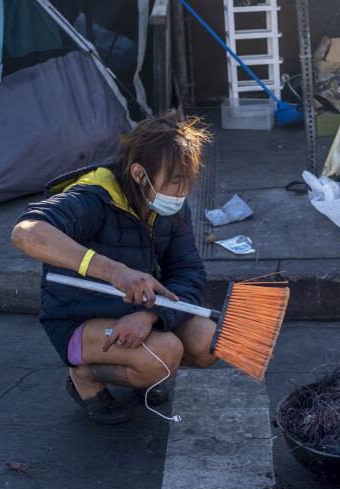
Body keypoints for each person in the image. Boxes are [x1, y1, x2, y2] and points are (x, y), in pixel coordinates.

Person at [12, 110, 216, 424]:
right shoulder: (94, 196)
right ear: (138, 173)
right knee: (163, 355)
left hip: (133, 310)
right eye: (175, 181)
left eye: (187, 181)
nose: (182, 192)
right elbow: (26, 233)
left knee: (208, 340)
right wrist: (114, 271)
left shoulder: (170, 206)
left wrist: (150, 315)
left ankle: (139, 369)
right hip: (76, 316)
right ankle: (85, 377)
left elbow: (188, 272)